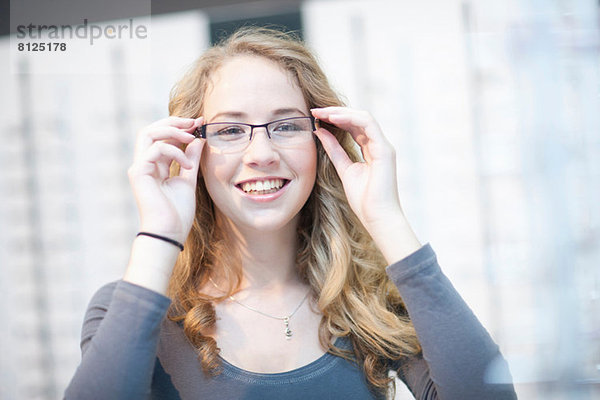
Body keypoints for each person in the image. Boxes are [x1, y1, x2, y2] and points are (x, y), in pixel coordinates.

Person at [65, 27, 517, 400]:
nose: (260, 152)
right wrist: (159, 235)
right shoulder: (127, 310)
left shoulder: (369, 301)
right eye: (230, 130)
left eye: (286, 126)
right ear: (192, 153)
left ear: (325, 144)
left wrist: (385, 217)